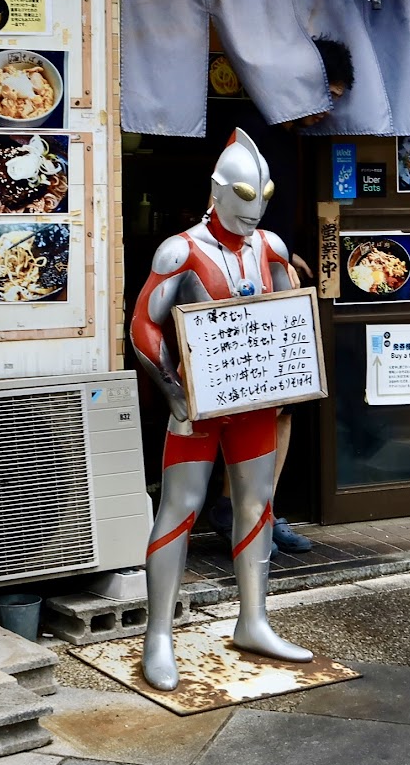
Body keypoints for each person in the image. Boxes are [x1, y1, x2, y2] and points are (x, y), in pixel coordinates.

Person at [129, 129, 313, 690]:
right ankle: (158, 633)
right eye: (242, 195)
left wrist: (291, 371)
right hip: (197, 402)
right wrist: (173, 391)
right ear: (217, 190)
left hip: (252, 399)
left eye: (262, 197)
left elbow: (288, 311)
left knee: (257, 503)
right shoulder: (179, 250)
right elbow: (143, 324)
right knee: (179, 507)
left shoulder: (272, 248)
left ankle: (254, 618)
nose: (253, 211)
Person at [207, 37, 354, 554]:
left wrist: (284, 257)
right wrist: (277, 253)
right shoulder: (246, 138)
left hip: (276, 282)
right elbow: (221, 213)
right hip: (238, 283)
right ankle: (236, 507)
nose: (326, 113)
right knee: (240, 399)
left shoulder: (292, 138)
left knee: (283, 402)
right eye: (325, 96)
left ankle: (256, 508)